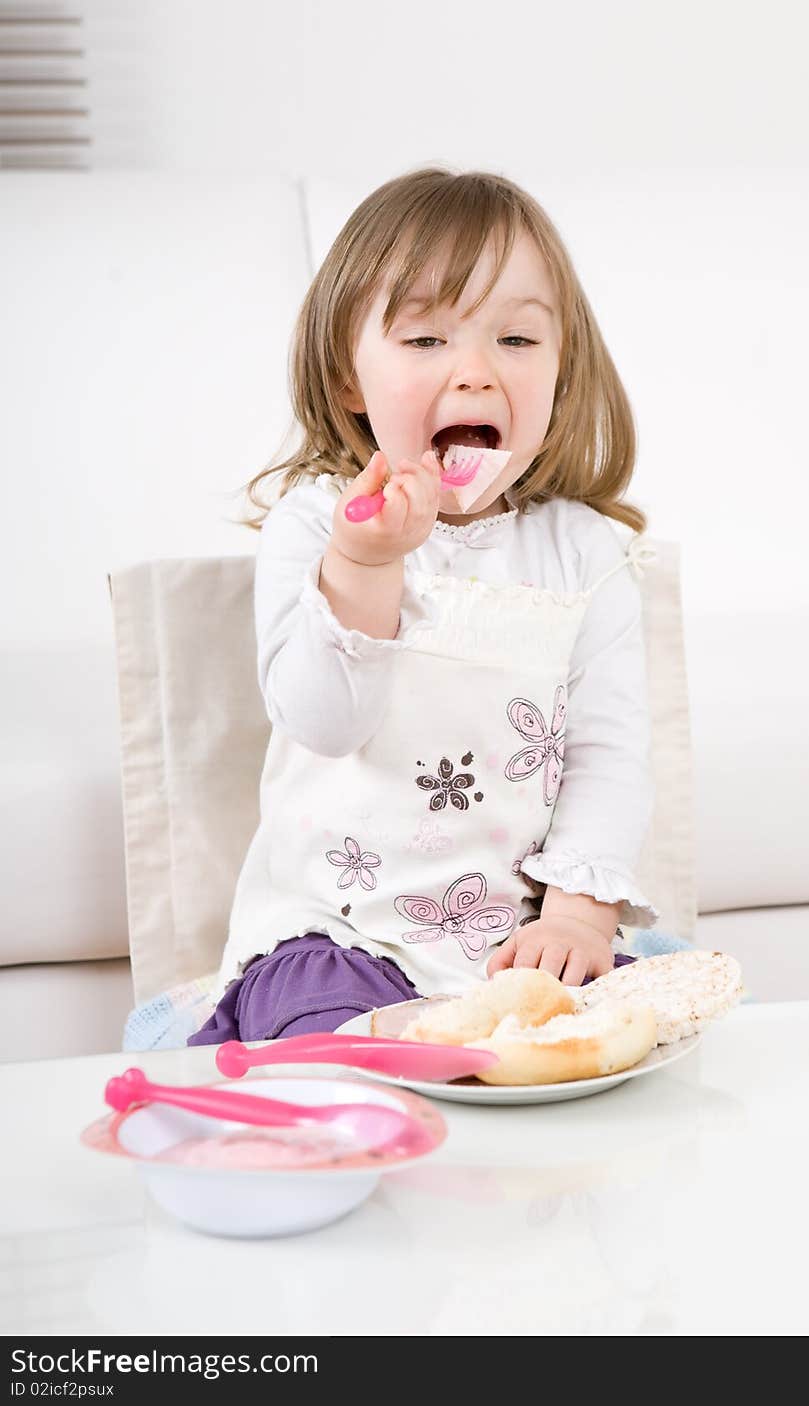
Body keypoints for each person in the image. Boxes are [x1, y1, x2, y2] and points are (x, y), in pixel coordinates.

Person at [187, 165, 661, 1047]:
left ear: (562, 374)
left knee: (644, 1039)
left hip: (513, 940)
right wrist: (364, 564)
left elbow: (610, 754)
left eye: (517, 341)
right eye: (426, 340)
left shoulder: (585, 554)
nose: (477, 374)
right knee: (333, 1050)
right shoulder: (317, 525)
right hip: (339, 933)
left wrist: (578, 920)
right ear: (349, 383)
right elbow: (324, 722)